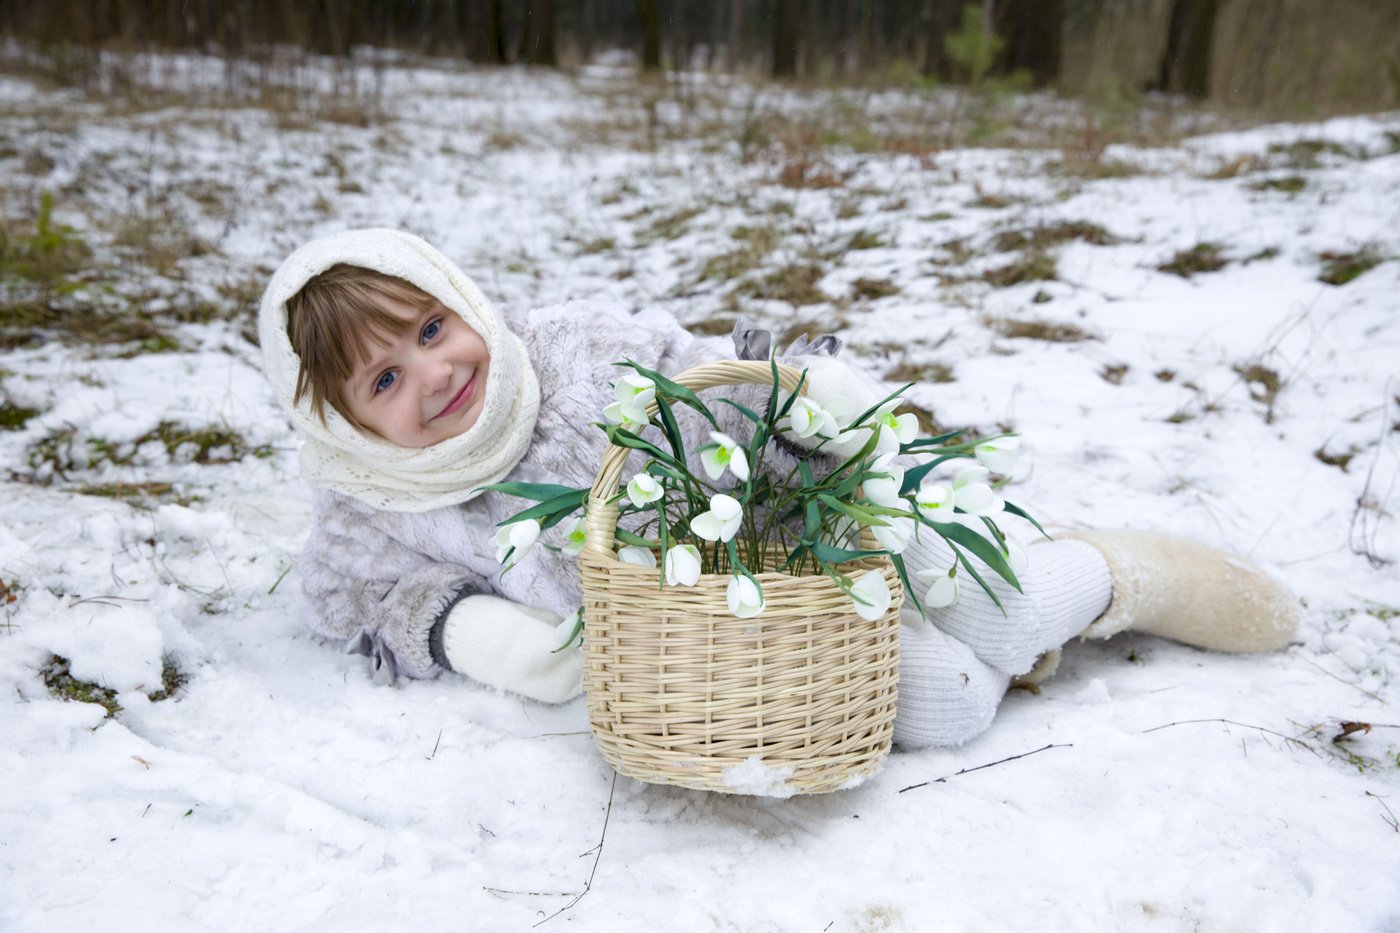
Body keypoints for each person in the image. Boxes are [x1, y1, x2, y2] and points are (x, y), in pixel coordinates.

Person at [258, 228, 1300, 749]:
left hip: (792, 543)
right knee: (948, 705)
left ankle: (1115, 572)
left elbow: (718, 373)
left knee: (996, 605)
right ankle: (1020, 659)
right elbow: (343, 592)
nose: (435, 376)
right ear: (341, 424)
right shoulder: (374, 501)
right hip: (729, 650)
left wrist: (801, 405)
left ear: (464, 302)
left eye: (433, 329)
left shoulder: (575, 352)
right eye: (384, 380)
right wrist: (460, 630)